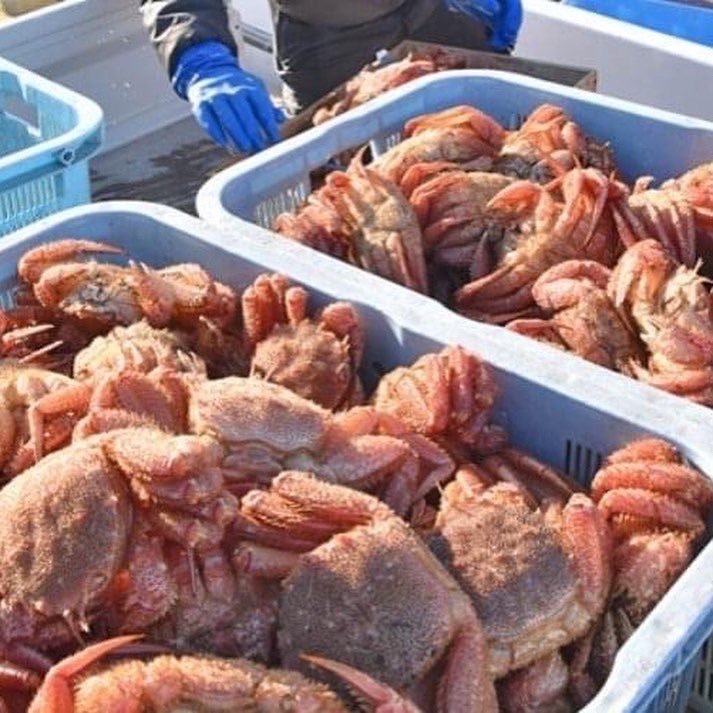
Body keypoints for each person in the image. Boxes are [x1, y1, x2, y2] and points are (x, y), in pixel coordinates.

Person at [140, 0, 523, 155]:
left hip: (442, 13)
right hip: (326, 39)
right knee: (335, 166)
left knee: (492, 143)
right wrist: (199, 56)